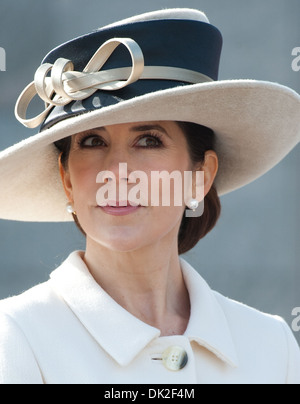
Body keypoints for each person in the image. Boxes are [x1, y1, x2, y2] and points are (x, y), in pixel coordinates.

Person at [0, 8, 299, 384]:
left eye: (148, 140)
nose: (117, 171)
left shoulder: (272, 347)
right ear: (67, 180)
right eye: (93, 141)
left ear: (199, 176)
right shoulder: (15, 339)